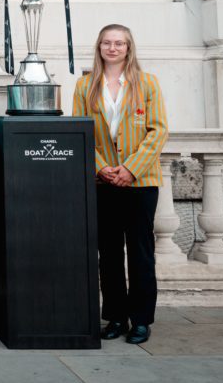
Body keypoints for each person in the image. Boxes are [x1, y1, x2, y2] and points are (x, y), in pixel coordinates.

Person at [72, 24, 168, 345]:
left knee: (140, 251)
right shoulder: (85, 86)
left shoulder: (147, 83)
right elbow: (81, 131)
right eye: (106, 43)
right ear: (99, 47)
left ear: (129, 48)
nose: (112, 48)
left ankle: (141, 319)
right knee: (109, 253)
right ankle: (115, 316)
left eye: (119, 43)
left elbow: (158, 131)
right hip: (103, 182)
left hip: (141, 183)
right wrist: (102, 168)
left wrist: (131, 169)